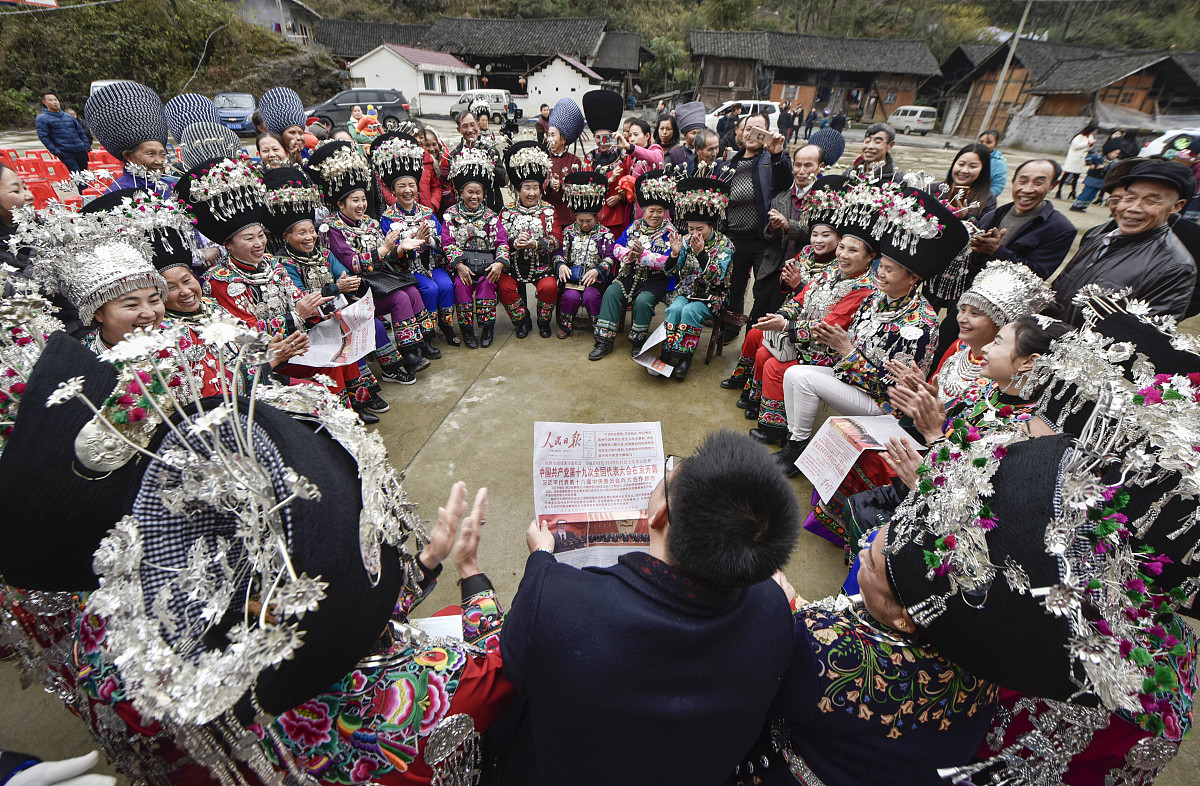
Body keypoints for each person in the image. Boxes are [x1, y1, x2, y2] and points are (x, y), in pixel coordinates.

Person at [497, 430, 801, 786]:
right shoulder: (775, 613)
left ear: (658, 515)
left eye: (670, 473)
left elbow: (512, 667)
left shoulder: (554, 599)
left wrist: (540, 557)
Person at [805, 268, 1057, 547]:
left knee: (873, 458)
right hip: (928, 445)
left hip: (944, 496)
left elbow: (972, 483)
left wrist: (934, 430)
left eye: (997, 342)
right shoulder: (984, 380)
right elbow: (951, 411)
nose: (962, 318)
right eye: (963, 309)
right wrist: (925, 398)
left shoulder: (1023, 425)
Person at [774, 182, 969, 471]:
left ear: (913, 277)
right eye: (881, 266)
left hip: (880, 401)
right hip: (850, 377)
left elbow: (890, 386)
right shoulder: (875, 299)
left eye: (889, 270)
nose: (880, 274)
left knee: (803, 378)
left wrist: (846, 350)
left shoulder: (919, 323)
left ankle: (795, 452)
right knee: (794, 373)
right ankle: (797, 443)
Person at [306, 140, 430, 383]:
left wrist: (399, 249)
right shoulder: (331, 228)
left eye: (363, 199)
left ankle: (415, 347)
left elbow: (386, 255)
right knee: (402, 297)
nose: (361, 205)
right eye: (354, 200)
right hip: (357, 287)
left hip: (380, 279)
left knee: (413, 291)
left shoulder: (371, 223)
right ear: (340, 204)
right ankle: (406, 356)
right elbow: (349, 263)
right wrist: (384, 249)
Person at [745, 220, 877, 446]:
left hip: (830, 351)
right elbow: (802, 297)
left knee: (776, 366)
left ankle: (777, 428)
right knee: (763, 353)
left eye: (853, 250)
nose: (843, 255)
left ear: (870, 257)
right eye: (842, 247)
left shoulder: (864, 288)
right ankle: (766, 412)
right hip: (803, 340)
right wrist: (782, 316)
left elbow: (828, 327)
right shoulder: (833, 270)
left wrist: (785, 326)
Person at [1054, 159, 1197, 324]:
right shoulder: (1098, 239)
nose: (1134, 208)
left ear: (1176, 207)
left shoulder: (1175, 267)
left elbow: (1140, 337)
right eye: (1129, 198)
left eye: (1151, 201)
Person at [376, 132, 456, 353]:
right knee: (429, 289)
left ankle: (448, 327)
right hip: (406, 269)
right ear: (393, 190)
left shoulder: (427, 212)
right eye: (401, 186)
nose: (408, 190)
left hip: (432, 264)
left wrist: (429, 241)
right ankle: (426, 336)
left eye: (411, 184)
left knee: (446, 285)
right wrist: (403, 246)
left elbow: (443, 241)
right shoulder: (388, 218)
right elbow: (388, 253)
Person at [657, 174, 735, 381]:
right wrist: (674, 254)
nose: (694, 233)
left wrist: (702, 255)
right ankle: (667, 351)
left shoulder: (725, 245)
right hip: (687, 291)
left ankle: (684, 358)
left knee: (690, 311)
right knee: (674, 308)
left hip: (713, 296)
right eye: (691, 229)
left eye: (700, 229)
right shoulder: (684, 241)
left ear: (712, 227)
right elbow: (670, 272)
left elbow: (717, 278)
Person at [723, 113, 793, 339]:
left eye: (757, 130)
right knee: (734, 285)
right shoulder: (729, 163)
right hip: (735, 237)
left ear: (768, 134)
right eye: (746, 129)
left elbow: (785, 183)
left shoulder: (773, 159)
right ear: (740, 134)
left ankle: (754, 333)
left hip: (763, 239)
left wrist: (777, 155)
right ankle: (732, 327)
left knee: (762, 289)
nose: (751, 133)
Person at [589, 170, 669, 355]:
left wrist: (643, 256)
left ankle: (637, 343)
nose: (655, 215)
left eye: (659, 211)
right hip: (628, 275)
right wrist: (630, 254)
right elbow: (617, 247)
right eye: (651, 211)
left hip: (654, 280)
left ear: (665, 212)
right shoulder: (634, 226)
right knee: (611, 292)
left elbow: (669, 261)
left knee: (643, 301)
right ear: (644, 210)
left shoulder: (669, 232)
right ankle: (604, 341)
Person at [442, 148, 510, 349]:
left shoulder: (490, 216)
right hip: (463, 265)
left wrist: (499, 263)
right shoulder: (450, 215)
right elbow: (447, 242)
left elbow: (502, 242)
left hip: (487, 265)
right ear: (461, 192)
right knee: (461, 286)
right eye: (469, 192)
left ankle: (487, 328)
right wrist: (459, 265)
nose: (474, 196)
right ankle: (468, 331)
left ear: (483, 193)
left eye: (478, 192)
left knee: (487, 284)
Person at [754, 144, 826, 320]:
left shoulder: (824, 200)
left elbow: (820, 236)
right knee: (757, 318)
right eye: (798, 165)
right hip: (773, 269)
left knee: (782, 322)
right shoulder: (781, 198)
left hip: (802, 272)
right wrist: (773, 226)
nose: (801, 171)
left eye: (808, 165)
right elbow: (768, 236)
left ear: (820, 167)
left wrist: (788, 225)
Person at [500, 141, 562, 339]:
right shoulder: (507, 211)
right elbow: (499, 240)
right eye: (527, 187)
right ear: (518, 190)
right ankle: (522, 320)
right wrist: (513, 243)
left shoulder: (548, 210)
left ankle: (543, 321)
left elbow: (556, 239)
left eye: (535, 187)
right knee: (503, 285)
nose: (532, 193)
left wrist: (536, 244)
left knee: (550, 286)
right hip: (514, 265)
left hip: (541, 266)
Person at [84, 81, 171, 196]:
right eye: (150, 153)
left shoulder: (169, 186)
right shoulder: (118, 193)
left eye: (163, 154)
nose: (159, 161)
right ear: (128, 156)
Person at [582, 90, 633, 241]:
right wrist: (608, 181)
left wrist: (619, 196)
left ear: (613, 136)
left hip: (617, 212)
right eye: (598, 137)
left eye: (606, 137)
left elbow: (630, 181)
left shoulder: (623, 155)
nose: (602, 141)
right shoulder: (589, 158)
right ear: (593, 137)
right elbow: (586, 186)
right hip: (594, 214)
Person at [442, 110, 507, 213]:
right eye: (465, 126)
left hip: (491, 208)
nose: (470, 130)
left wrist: (490, 166)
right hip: (465, 213)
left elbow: (503, 181)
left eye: (472, 125)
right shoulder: (454, 156)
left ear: (478, 125)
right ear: (459, 130)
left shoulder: (491, 152)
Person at [542, 98, 586, 231]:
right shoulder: (542, 158)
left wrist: (561, 186)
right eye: (548, 134)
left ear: (563, 139)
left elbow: (578, 188)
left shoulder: (574, 161)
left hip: (567, 217)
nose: (549, 138)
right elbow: (536, 184)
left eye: (553, 135)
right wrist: (548, 184)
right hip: (546, 215)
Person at [35, 92, 91, 175]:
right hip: (65, 152)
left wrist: (86, 146)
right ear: (44, 102)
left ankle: (84, 188)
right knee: (77, 177)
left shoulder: (68, 116)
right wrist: (56, 151)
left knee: (85, 176)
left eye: (56, 100)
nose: (55, 102)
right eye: (50, 100)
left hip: (80, 150)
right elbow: (44, 137)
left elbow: (81, 132)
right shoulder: (42, 118)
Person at [942, 143, 996, 221]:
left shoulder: (988, 199)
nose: (964, 170)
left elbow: (983, 229)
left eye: (973, 166)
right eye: (961, 164)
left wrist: (964, 216)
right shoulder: (932, 189)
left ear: (982, 170)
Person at [1069, 137, 1123, 212]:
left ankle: (1083, 206)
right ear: (1109, 152)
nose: (1116, 155)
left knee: (1093, 195)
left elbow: (1114, 169)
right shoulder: (1098, 157)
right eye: (1115, 153)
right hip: (1092, 178)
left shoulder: (1114, 162)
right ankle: (1076, 206)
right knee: (1086, 193)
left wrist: (1105, 167)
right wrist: (1091, 164)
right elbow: (1088, 157)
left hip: (1101, 181)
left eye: (1117, 154)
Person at [259, 86, 309, 165]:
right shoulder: (271, 157)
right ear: (280, 137)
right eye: (292, 133)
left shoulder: (310, 155)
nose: (298, 138)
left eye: (301, 133)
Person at [1057, 121, 1097, 200]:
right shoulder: (1080, 136)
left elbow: (1088, 147)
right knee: (1066, 175)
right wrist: (1088, 143)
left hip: (1081, 159)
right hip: (1074, 158)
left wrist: (1091, 144)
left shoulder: (1090, 136)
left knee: (1076, 176)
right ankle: (1059, 191)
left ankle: (1073, 192)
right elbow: (1075, 146)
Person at [666, 101, 708, 173]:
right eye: (693, 133)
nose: (697, 136)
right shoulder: (674, 154)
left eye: (699, 133)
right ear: (685, 134)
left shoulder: (706, 153)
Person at [978, 128, 1007, 197]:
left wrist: (983, 198)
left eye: (989, 142)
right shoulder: (968, 155)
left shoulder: (999, 163)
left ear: (995, 144)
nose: (984, 145)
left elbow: (998, 186)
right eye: (981, 142)